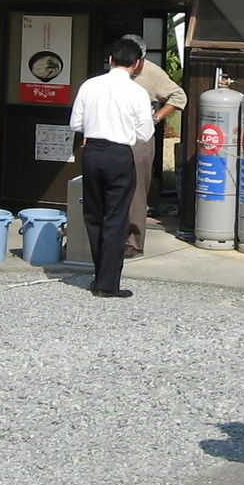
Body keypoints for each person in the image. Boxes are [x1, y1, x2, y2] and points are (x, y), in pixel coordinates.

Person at [69, 37, 154, 298]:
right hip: (120, 154)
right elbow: (145, 132)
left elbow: (76, 124)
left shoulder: (89, 86)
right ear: (137, 64)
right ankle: (107, 283)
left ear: (110, 60)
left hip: (93, 152)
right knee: (116, 218)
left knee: (94, 215)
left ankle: (99, 275)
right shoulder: (138, 92)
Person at [125, 39, 187, 258]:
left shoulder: (152, 72)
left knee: (137, 190)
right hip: (114, 134)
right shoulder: (114, 71)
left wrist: (157, 117)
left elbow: (179, 96)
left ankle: (134, 241)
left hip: (139, 135)